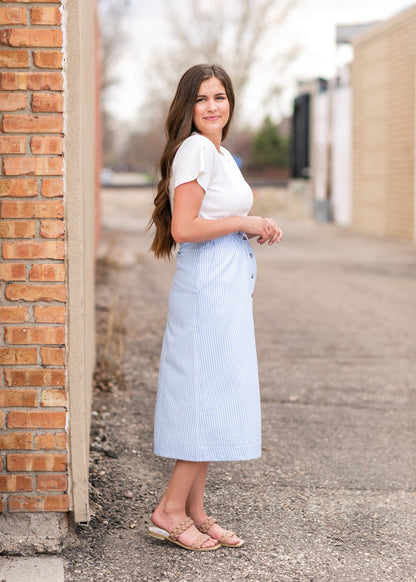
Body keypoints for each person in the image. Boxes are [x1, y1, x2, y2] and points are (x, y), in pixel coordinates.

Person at [147, 64, 283, 551]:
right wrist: (244, 219)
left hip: (225, 290)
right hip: (207, 291)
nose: (212, 106)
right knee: (203, 398)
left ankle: (195, 510)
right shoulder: (197, 150)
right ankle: (168, 509)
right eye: (202, 98)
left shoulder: (220, 153)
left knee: (215, 391)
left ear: (230, 103)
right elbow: (184, 228)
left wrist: (248, 226)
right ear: (189, 106)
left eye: (220, 96)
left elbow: (212, 217)